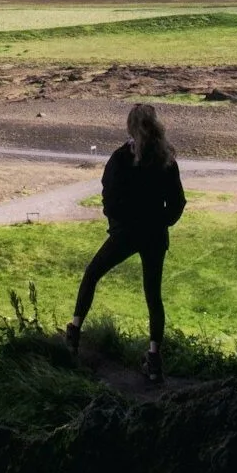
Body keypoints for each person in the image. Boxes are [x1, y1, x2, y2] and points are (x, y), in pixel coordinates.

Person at [64, 103, 186, 383]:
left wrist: (120, 226)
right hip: (154, 236)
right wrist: (161, 222)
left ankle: (74, 333)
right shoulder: (166, 159)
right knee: (153, 296)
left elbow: (109, 197)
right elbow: (177, 202)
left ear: (130, 127)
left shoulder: (121, 158)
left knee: (92, 274)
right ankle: (154, 359)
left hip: (126, 234)